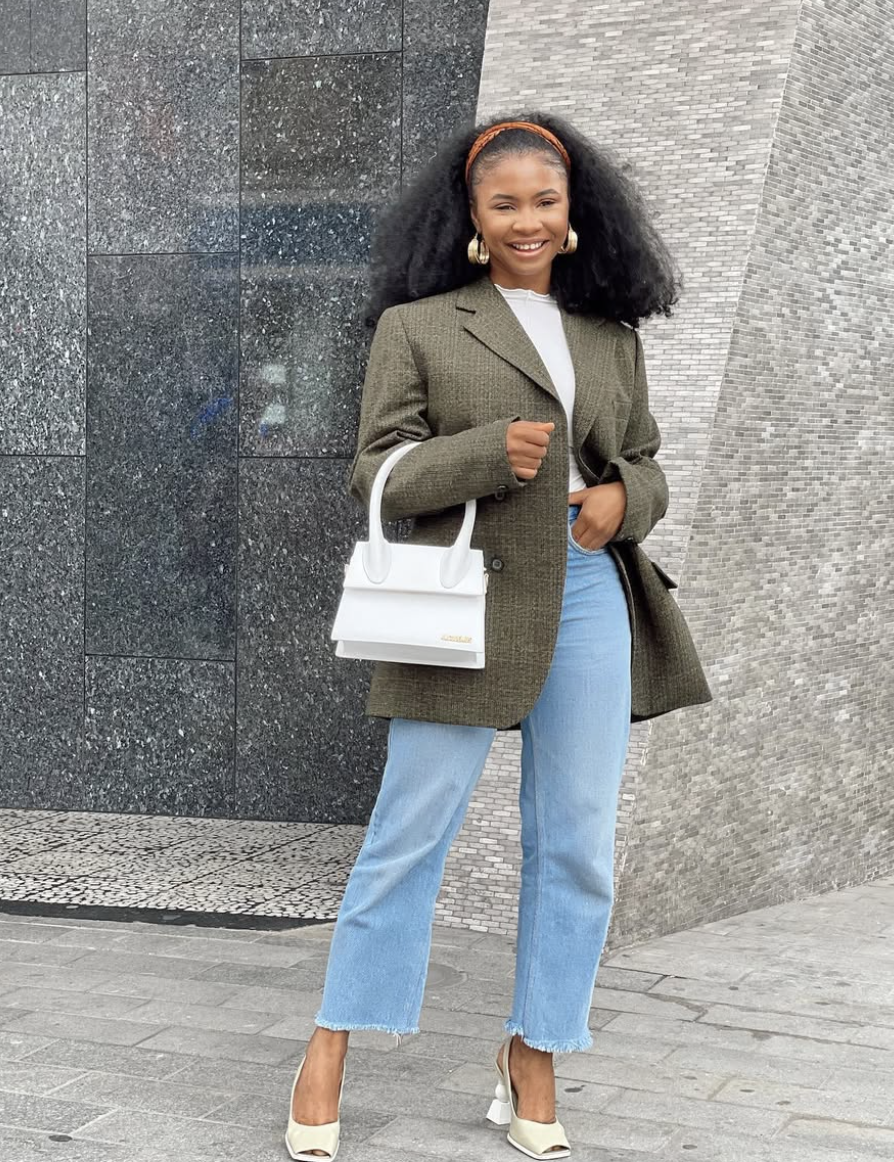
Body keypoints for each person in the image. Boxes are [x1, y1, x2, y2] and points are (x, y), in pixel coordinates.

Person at [285, 112, 712, 1161]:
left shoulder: (610, 333)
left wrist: (624, 501)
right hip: (461, 597)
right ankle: (329, 1045)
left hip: (585, 591)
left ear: (575, 214)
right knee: (409, 833)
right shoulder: (421, 326)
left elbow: (646, 459)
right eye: (505, 203)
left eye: (545, 201)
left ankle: (535, 1050)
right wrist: (486, 452)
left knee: (575, 843)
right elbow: (373, 470)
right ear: (471, 218)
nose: (528, 220)